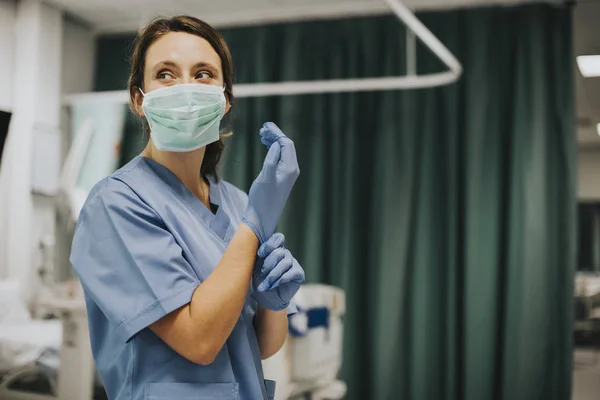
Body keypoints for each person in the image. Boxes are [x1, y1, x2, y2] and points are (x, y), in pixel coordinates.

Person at [70, 15, 304, 400]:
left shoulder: (237, 203)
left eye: (203, 74)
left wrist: (273, 303)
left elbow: (257, 346)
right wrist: (255, 225)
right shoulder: (115, 204)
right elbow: (199, 341)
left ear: (224, 99)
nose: (185, 88)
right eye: (165, 74)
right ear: (138, 99)